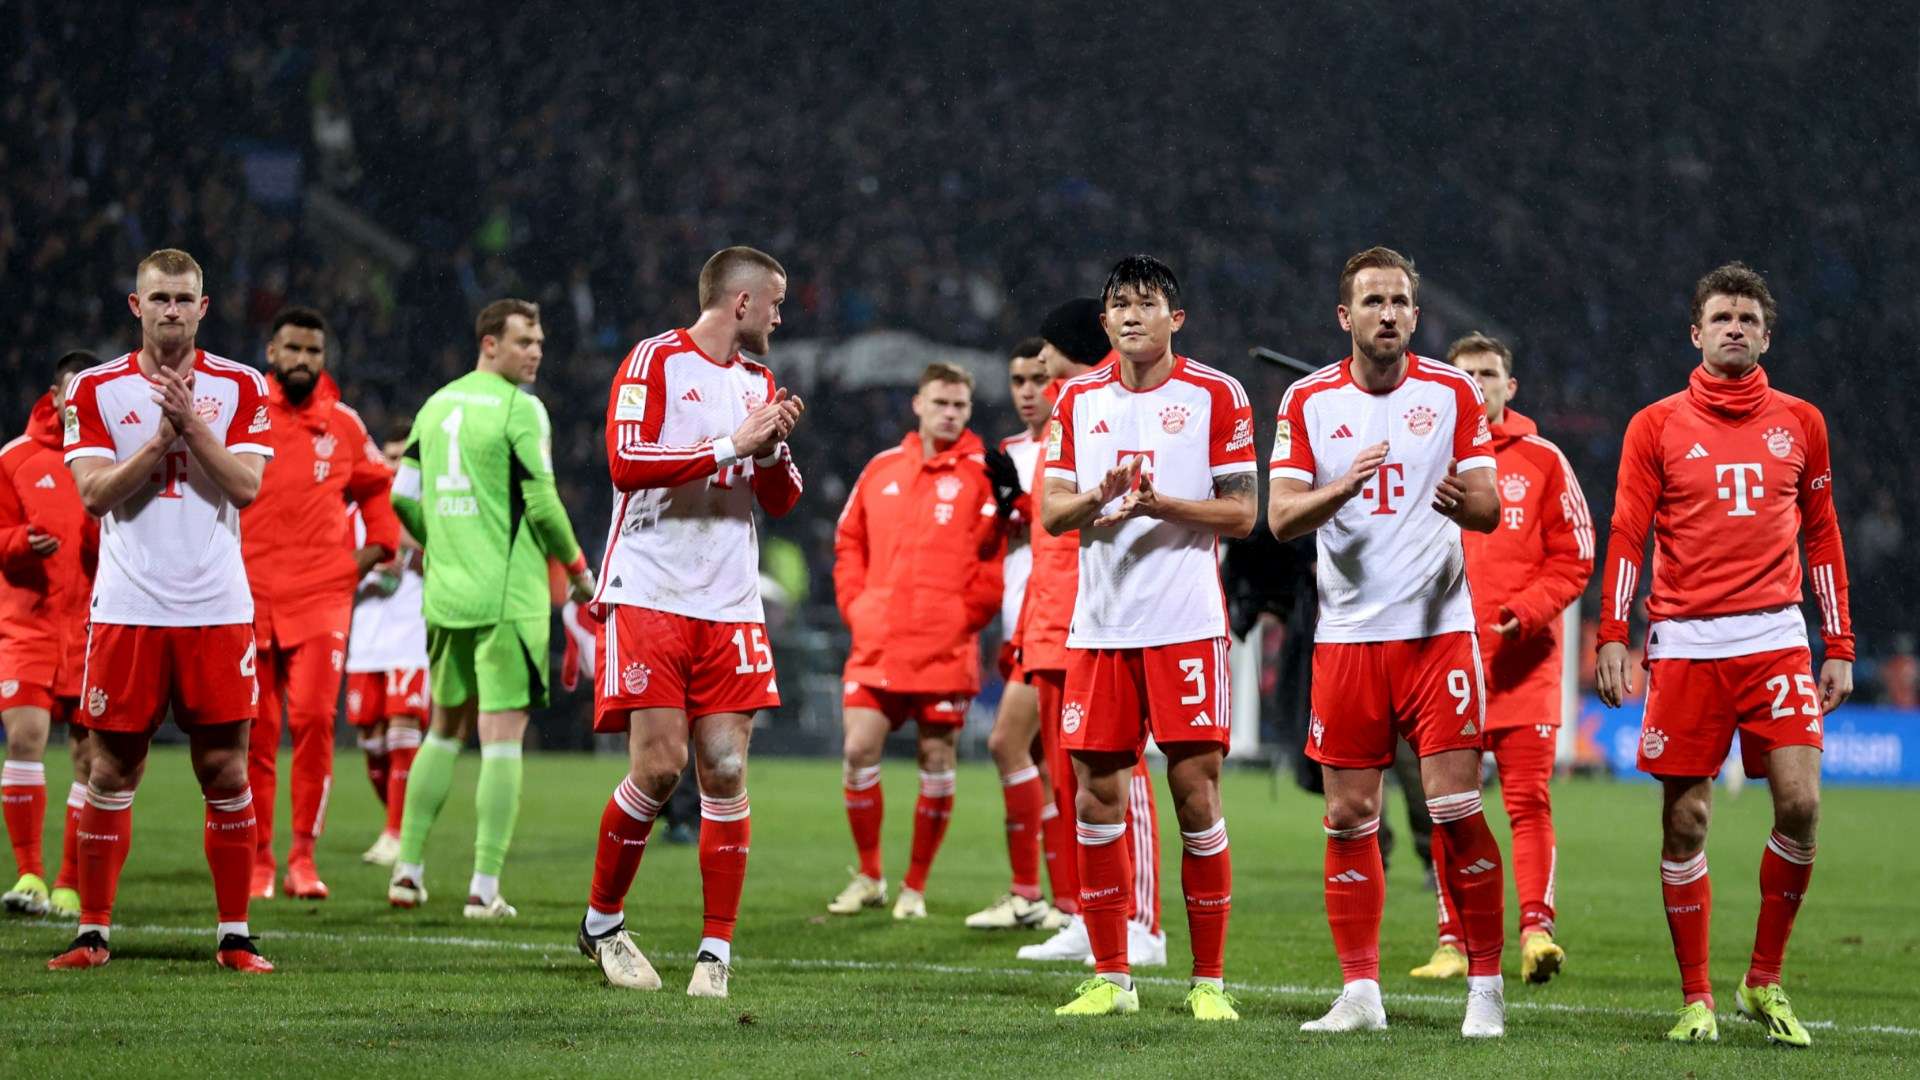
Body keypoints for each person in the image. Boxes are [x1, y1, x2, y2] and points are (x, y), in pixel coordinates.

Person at [1596, 263, 1852, 1046]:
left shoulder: (1801, 422)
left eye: (1748, 318)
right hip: (1687, 643)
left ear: (1766, 335)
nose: (1734, 327)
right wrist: (1612, 633)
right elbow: (1627, 532)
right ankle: (1697, 997)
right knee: (1687, 822)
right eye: (1722, 316)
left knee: (1802, 807)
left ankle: (1763, 981)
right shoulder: (1656, 425)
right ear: (1696, 332)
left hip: (1776, 636)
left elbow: (1823, 534)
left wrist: (1837, 642)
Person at [1268, 246, 1508, 1037]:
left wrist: (1460, 504)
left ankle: (1485, 990)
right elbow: (1278, 519)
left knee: (1456, 807)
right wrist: (1342, 486)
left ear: (1414, 312)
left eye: (1400, 301)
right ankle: (1361, 994)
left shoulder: (1452, 394)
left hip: (1437, 635)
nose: (1388, 314)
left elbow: (1487, 509)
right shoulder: (1306, 401)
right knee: (1346, 816)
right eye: (1373, 301)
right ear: (1346, 316)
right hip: (1347, 639)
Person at [577, 246, 803, 998]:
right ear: (740, 303)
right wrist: (731, 443)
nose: (780, 315)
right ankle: (602, 923)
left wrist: (769, 452)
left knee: (728, 768)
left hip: (731, 602)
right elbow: (625, 460)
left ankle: (716, 954)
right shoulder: (656, 360)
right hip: (650, 590)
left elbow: (781, 499)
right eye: (774, 302)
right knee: (659, 767)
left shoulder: (759, 382)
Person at [1041, 256, 1255, 1021]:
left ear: (1176, 319)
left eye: (1147, 303)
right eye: (1119, 305)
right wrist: (1099, 496)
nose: (1132, 314)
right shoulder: (1076, 402)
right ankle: (1112, 978)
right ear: (1104, 324)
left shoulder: (1214, 395)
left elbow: (1243, 514)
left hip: (1185, 627)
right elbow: (1052, 513)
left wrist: (1160, 502)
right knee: (1097, 799)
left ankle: (1209, 983)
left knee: (1194, 796)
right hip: (1099, 629)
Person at [51, 248, 274, 972]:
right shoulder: (95, 388)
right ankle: (92, 933)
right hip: (127, 608)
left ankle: (234, 937)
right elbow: (92, 496)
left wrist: (192, 425)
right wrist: (159, 440)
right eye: (159, 299)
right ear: (135, 305)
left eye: (184, 299)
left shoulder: (240, 384)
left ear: (204, 307)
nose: (171, 310)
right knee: (110, 772)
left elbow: (246, 488)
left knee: (226, 772)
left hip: (215, 606)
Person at [387, 298, 595, 918]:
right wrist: (581, 574)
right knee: (502, 740)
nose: (535, 352)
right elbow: (544, 506)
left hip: (447, 595)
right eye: (523, 340)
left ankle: (408, 870)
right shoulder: (521, 409)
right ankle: (482, 887)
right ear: (489, 343)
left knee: (442, 732)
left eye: (539, 342)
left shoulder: (438, 402)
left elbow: (402, 496)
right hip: (509, 598)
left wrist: (443, 544)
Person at [1409, 333, 1595, 984]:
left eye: (1490, 373)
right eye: (1466, 374)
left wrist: (1525, 613)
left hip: (1522, 663)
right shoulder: (1423, 456)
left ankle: (1536, 931)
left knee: (1527, 801)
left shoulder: (1544, 461)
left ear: (1509, 387)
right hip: (1445, 662)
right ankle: (1451, 942)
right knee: (1449, 806)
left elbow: (1575, 557)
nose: (1479, 383)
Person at [1013, 299, 1165, 968]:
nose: (1036, 362)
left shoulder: (1115, 401)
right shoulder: (1069, 407)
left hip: (1103, 615)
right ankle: (1086, 909)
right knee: (1072, 783)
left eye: (1044, 348)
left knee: (1120, 772)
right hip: (1052, 623)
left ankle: (1145, 924)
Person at [828, 362, 1006, 920]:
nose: (950, 413)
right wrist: (857, 607)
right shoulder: (881, 468)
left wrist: (962, 616)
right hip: (878, 641)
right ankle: (870, 875)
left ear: (969, 410)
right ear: (918, 404)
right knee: (858, 750)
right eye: (941, 403)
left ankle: (914, 886)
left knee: (936, 757)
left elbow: (997, 556)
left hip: (944, 648)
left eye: (960, 405)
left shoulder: (986, 473)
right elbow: (848, 540)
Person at [240, 306, 399, 900]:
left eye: (314, 351)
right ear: (271, 352)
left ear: (324, 358)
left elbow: (378, 506)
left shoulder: (346, 425)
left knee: (311, 724)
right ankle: (257, 860)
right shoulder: (243, 414)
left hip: (319, 604)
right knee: (258, 734)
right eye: (293, 349)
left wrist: (350, 568)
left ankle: (301, 859)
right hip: (251, 598)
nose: (303, 360)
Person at [965, 337, 1074, 931]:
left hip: (1055, 623)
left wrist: (1023, 501)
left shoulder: (1076, 441)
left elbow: (1059, 526)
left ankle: (1035, 894)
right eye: (1019, 381)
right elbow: (993, 543)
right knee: (1040, 759)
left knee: (1009, 743)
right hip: (1017, 620)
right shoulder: (1006, 450)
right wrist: (1000, 511)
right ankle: (1061, 902)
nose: (1030, 392)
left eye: (1039, 378)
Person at [1, 350, 100, 918]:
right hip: (29, 624)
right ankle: (30, 875)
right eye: (71, 392)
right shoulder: (15, 458)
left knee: (89, 760)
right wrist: (18, 544)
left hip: (91, 630)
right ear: (56, 395)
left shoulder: (113, 460)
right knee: (25, 739)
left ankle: (68, 883)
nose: (77, 403)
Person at [344, 419, 430, 867]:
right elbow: (337, 564)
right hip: (366, 637)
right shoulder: (356, 511)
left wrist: (407, 546)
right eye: (388, 458)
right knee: (372, 742)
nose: (394, 468)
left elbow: (441, 554)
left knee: (402, 731)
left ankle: (396, 832)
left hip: (410, 635)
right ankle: (397, 822)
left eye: (402, 459)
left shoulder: (424, 508)